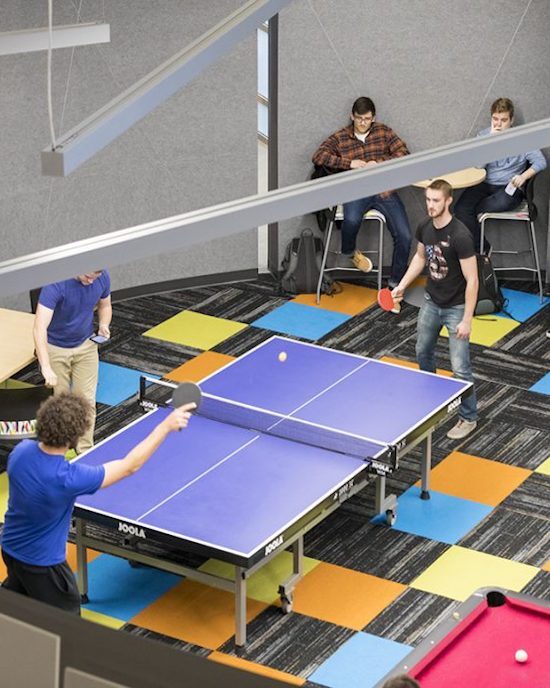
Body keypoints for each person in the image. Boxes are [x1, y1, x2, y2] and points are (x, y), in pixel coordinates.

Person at [1, 392, 194, 614]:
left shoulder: (20, 452)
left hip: (10, 548)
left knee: (16, 607)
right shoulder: (67, 478)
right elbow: (129, 466)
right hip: (42, 564)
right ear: (75, 436)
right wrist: (165, 427)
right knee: (68, 626)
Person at [392, 179, 478, 440]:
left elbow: (472, 280)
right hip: (431, 302)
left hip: (456, 308)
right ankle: (431, 403)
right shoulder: (425, 227)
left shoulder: (461, 236)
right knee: (422, 352)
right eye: (428, 200)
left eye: (436, 201)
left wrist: (466, 320)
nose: (430, 205)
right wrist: (402, 286)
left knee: (460, 367)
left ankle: (468, 417)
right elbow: (420, 257)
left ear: (448, 201)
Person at [312, 96, 412, 291]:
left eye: (367, 119)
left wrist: (380, 162)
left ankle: (395, 285)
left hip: (384, 190)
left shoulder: (383, 131)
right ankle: (350, 252)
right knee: (351, 220)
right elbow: (318, 156)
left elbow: (404, 153)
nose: (363, 123)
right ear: (352, 116)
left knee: (405, 236)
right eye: (359, 118)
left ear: (373, 118)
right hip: (356, 189)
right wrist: (350, 163)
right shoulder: (340, 137)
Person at [454, 97, 547, 253]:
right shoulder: (483, 135)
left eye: (503, 120)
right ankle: (482, 249)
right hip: (484, 184)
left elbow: (541, 161)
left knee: (499, 203)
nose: (498, 124)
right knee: (461, 209)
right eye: (495, 119)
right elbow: (477, 166)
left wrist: (523, 176)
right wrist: (490, 142)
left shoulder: (522, 138)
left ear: (511, 120)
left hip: (509, 187)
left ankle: (477, 243)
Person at [34, 270, 112, 453]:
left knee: (87, 402)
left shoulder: (102, 277)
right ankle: (58, 451)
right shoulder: (55, 284)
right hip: (55, 348)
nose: (91, 279)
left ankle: (84, 451)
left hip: (86, 345)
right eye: (88, 275)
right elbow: (39, 328)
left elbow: (105, 305)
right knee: (60, 405)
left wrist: (103, 324)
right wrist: (45, 366)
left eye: (97, 275)